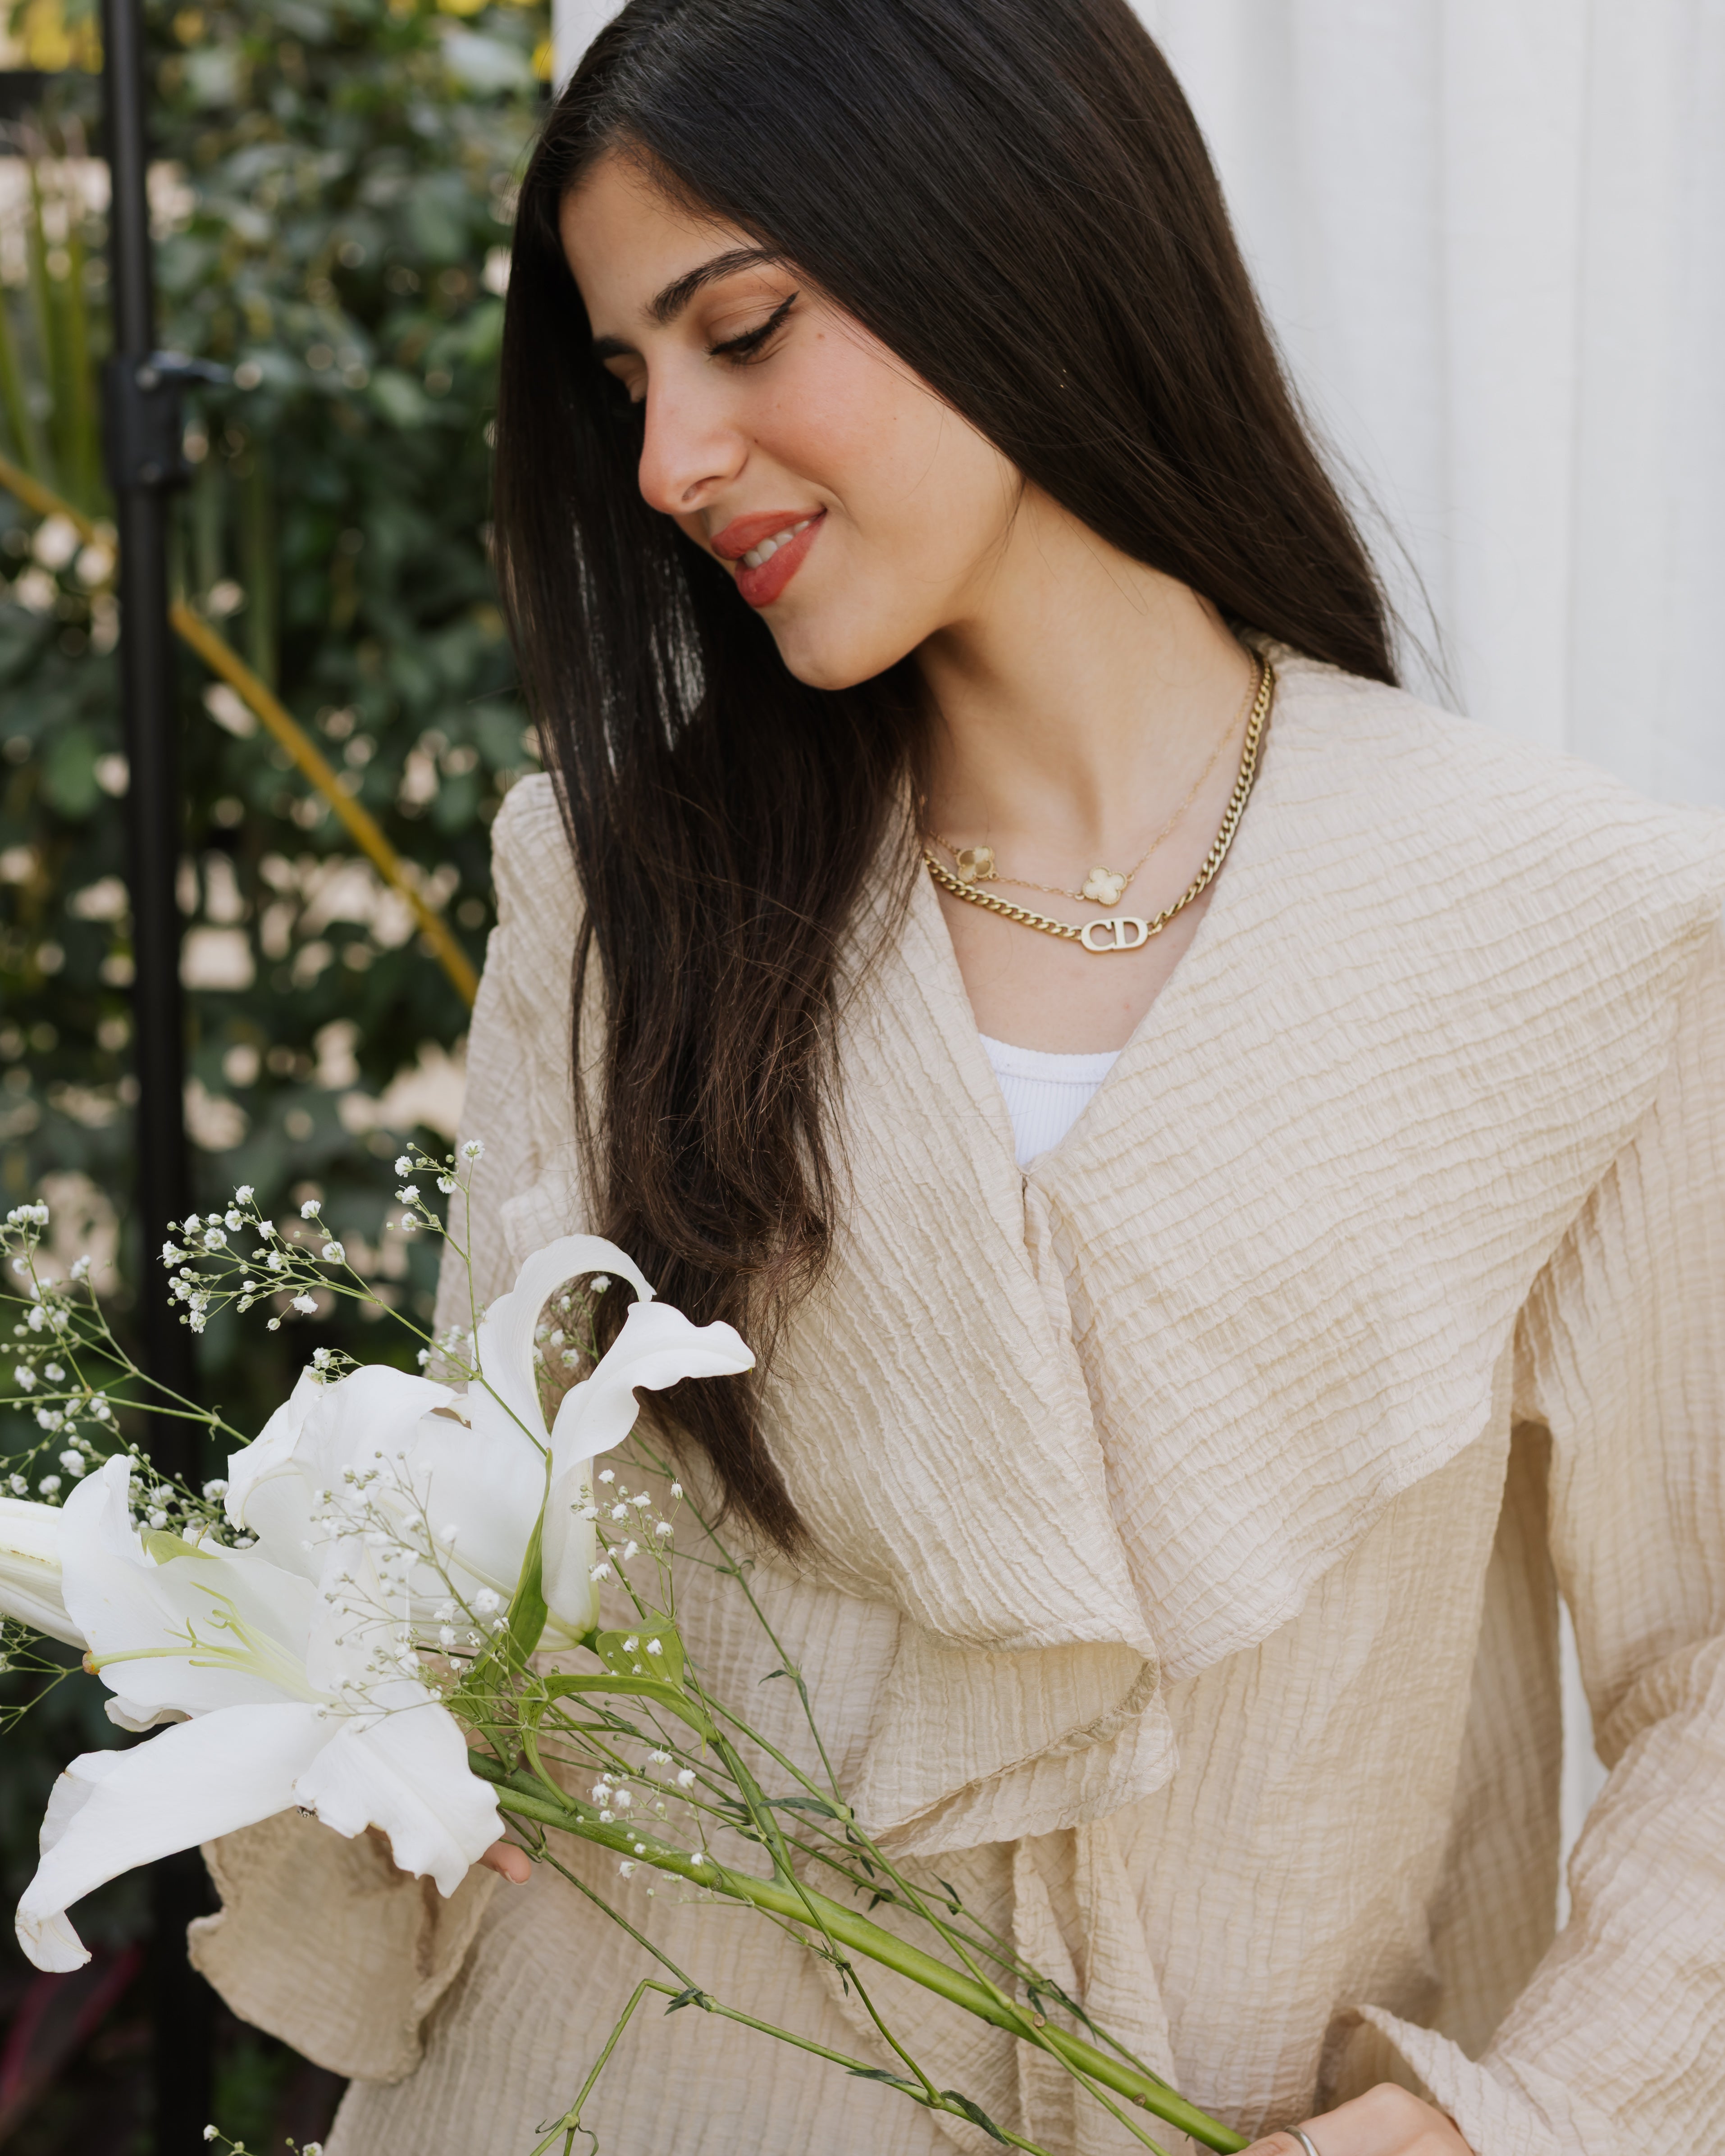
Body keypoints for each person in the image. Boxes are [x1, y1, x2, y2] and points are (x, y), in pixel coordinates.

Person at [191, 4, 1725, 2152]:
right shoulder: (623, 885)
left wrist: (1491, 2125)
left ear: (1010, 235)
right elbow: (475, 1567)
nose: (667, 465)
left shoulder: (1569, 925)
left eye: (741, 331)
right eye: (630, 383)